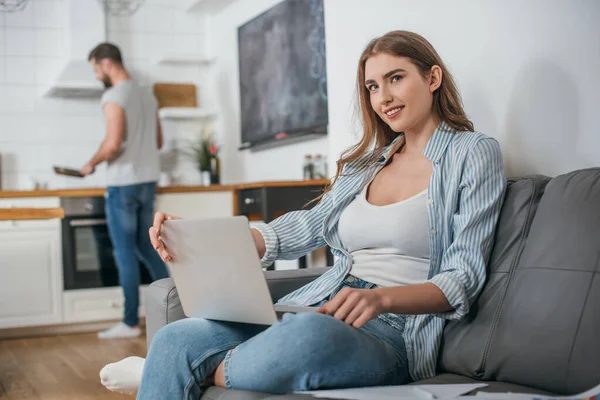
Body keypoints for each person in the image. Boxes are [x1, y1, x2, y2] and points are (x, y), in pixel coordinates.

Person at [99, 30, 506, 397]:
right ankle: (171, 362)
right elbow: (307, 225)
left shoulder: (472, 154)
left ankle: (176, 372)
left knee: (309, 337)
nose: (383, 97)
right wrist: (202, 238)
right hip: (319, 303)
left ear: (432, 78)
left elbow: (463, 277)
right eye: (372, 86)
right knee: (175, 338)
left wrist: (381, 299)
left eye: (396, 78)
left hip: (394, 332)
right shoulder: (368, 165)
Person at [82, 43, 169, 339]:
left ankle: (130, 322)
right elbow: (158, 141)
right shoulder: (147, 94)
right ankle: (174, 312)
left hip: (123, 183)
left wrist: (90, 164)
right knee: (149, 247)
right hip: (147, 181)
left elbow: (113, 143)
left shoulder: (115, 95)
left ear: (107, 64)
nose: (96, 76)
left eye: (96, 69)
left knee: (124, 252)